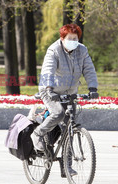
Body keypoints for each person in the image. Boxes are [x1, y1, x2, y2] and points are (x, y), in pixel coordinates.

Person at [31, 23, 99, 163]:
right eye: (70, 38)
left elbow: (89, 69)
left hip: (70, 92)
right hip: (49, 90)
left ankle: (67, 166)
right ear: (62, 38)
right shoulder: (54, 50)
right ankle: (37, 134)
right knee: (58, 113)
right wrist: (49, 88)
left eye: (76, 39)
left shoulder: (82, 50)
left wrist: (93, 88)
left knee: (69, 127)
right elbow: (48, 70)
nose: (73, 42)